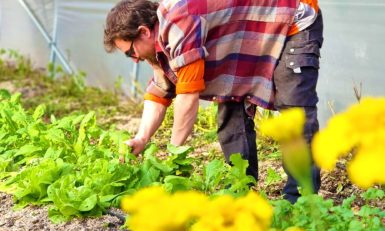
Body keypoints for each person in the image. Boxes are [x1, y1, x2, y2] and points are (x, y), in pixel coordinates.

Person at [104, 0, 323, 203]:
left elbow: (187, 97)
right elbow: (161, 88)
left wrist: (173, 155)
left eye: (130, 52)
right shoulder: (160, 39)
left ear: (143, 32)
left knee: (294, 109)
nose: (135, 59)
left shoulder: (179, 22)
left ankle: (301, 200)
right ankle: (240, 189)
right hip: (248, 31)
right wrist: (142, 138)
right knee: (229, 105)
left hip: (293, 19)